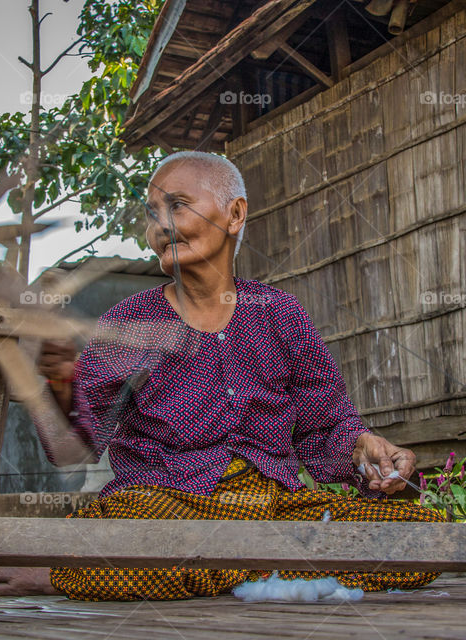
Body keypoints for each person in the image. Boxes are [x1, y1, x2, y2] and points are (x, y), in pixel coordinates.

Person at [30, 151, 443, 601]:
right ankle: (269, 568)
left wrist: (365, 449)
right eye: (152, 215)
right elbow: (72, 448)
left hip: (276, 510)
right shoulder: (129, 323)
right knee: (136, 537)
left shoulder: (282, 315)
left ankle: (231, 566)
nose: (159, 226)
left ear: (234, 213)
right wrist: (60, 387)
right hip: (167, 506)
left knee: (422, 534)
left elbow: (324, 432)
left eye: (177, 206)